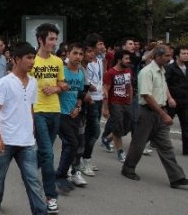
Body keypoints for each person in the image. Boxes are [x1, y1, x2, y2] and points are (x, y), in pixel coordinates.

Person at [0, 42, 62, 215]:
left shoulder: (33, 83)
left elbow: (30, 107)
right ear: (16, 60)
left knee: (33, 180)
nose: (32, 62)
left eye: (33, 58)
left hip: (27, 141)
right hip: (6, 140)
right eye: (28, 58)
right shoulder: (5, 82)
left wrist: (32, 132)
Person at [121, 45, 188, 188]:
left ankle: (177, 177)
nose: (170, 59)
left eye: (170, 56)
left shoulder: (162, 70)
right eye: (167, 56)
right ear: (157, 56)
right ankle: (128, 168)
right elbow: (146, 95)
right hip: (147, 113)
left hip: (159, 111)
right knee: (138, 144)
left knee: (166, 146)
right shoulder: (146, 72)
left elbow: (164, 87)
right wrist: (163, 114)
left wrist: (169, 98)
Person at [30, 23, 67, 214]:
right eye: (51, 39)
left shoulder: (58, 62)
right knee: (48, 153)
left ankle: (29, 172)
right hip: (38, 111)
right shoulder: (32, 61)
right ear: (40, 40)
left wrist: (57, 88)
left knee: (46, 152)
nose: (54, 42)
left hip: (55, 110)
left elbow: (62, 83)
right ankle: (51, 196)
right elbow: (23, 85)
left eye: (55, 39)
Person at [55, 43, 87, 192]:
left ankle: (64, 173)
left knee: (72, 145)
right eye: (75, 53)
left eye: (81, 54)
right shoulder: (61, 70)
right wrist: (59, 87)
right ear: (68, 54)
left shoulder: (80, 73)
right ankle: (60, 175)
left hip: (74, 113)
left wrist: (78, 107)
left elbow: (80, 94)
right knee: (72, 143)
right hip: (59, 113)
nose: (78, 57)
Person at [102, 50, 133, 163]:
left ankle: (108, 138)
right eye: (126, 59)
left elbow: (129, 86)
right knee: (118, 126)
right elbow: (105, 90)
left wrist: (130, 100)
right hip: (115, 104)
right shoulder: (111, 73)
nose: (128, 61)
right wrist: (105, 108)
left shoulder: (128, 70)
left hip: (127, 102)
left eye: (129, 59)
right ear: (120, 59)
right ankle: (120, 151)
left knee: (128, 125)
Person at [81, 33, 105, 176]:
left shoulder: (100, 60)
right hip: (90, 100)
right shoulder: (84, 61)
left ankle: (84, 158)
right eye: (100, 44)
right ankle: (84, 159)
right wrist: (89, 86)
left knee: (90, 131)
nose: (103, 47)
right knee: (94, 131)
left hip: (99, 98)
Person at [165, 46, 188, 156]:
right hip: (173, 101)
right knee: (165, 123)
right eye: (183, 53)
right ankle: (155, 141)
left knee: (186, 125)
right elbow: (165, 84)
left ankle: (186, 150)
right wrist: (169, 98)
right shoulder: (171, 68)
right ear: (177, 55)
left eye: (187, 53)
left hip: (185, 101)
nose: (186, 55)